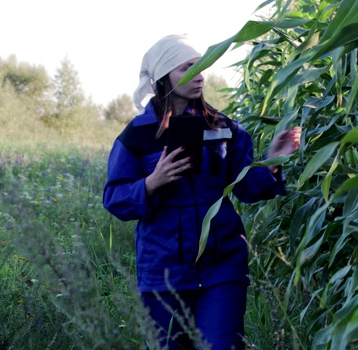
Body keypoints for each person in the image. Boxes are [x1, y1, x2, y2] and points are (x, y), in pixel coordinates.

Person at [103, 34, 301, 349]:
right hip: (163, 271)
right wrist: (152, 182)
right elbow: (115, 200)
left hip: (222, 266)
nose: (200, 74)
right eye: (187, 68)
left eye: (202, 65)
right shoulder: (137, 136)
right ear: (164, 77)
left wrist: (274, 161)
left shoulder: (225, 129)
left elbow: (248, 189)